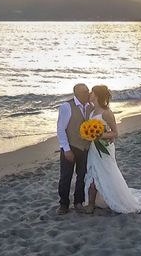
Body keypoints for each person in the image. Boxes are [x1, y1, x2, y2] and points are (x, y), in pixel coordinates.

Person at [84, 85, 141, 214]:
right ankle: (93, 203)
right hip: (94, 148)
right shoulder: (92, 111)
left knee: (106, 172)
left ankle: (94, 204)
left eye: (92, 92)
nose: (90, 94)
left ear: (97, 95)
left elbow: (115, 133)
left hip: (104, 148)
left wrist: (99, 135)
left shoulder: (107, 113)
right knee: (92, 172)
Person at [56, 83, 92, 214]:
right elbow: (61, 129)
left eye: (88, 91)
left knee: (82, 175)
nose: (87, 94)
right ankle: (63, 204)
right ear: (76, 93)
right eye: (84, 92)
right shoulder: (67, 106)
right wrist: (66, 149)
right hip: (71, 146)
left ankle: (78, 202)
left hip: (85, 148)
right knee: (66, 176)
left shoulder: (90, 106)